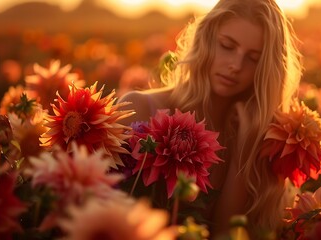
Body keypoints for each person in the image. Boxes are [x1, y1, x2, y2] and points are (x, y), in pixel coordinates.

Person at [118, 0, 302, 237]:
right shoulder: (140, 108)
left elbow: (225, 234)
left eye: (253, 58)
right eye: (227, 46)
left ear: (266, 68)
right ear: (206, 39)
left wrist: (241, 155)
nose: (236, 65)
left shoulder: (257, 137)